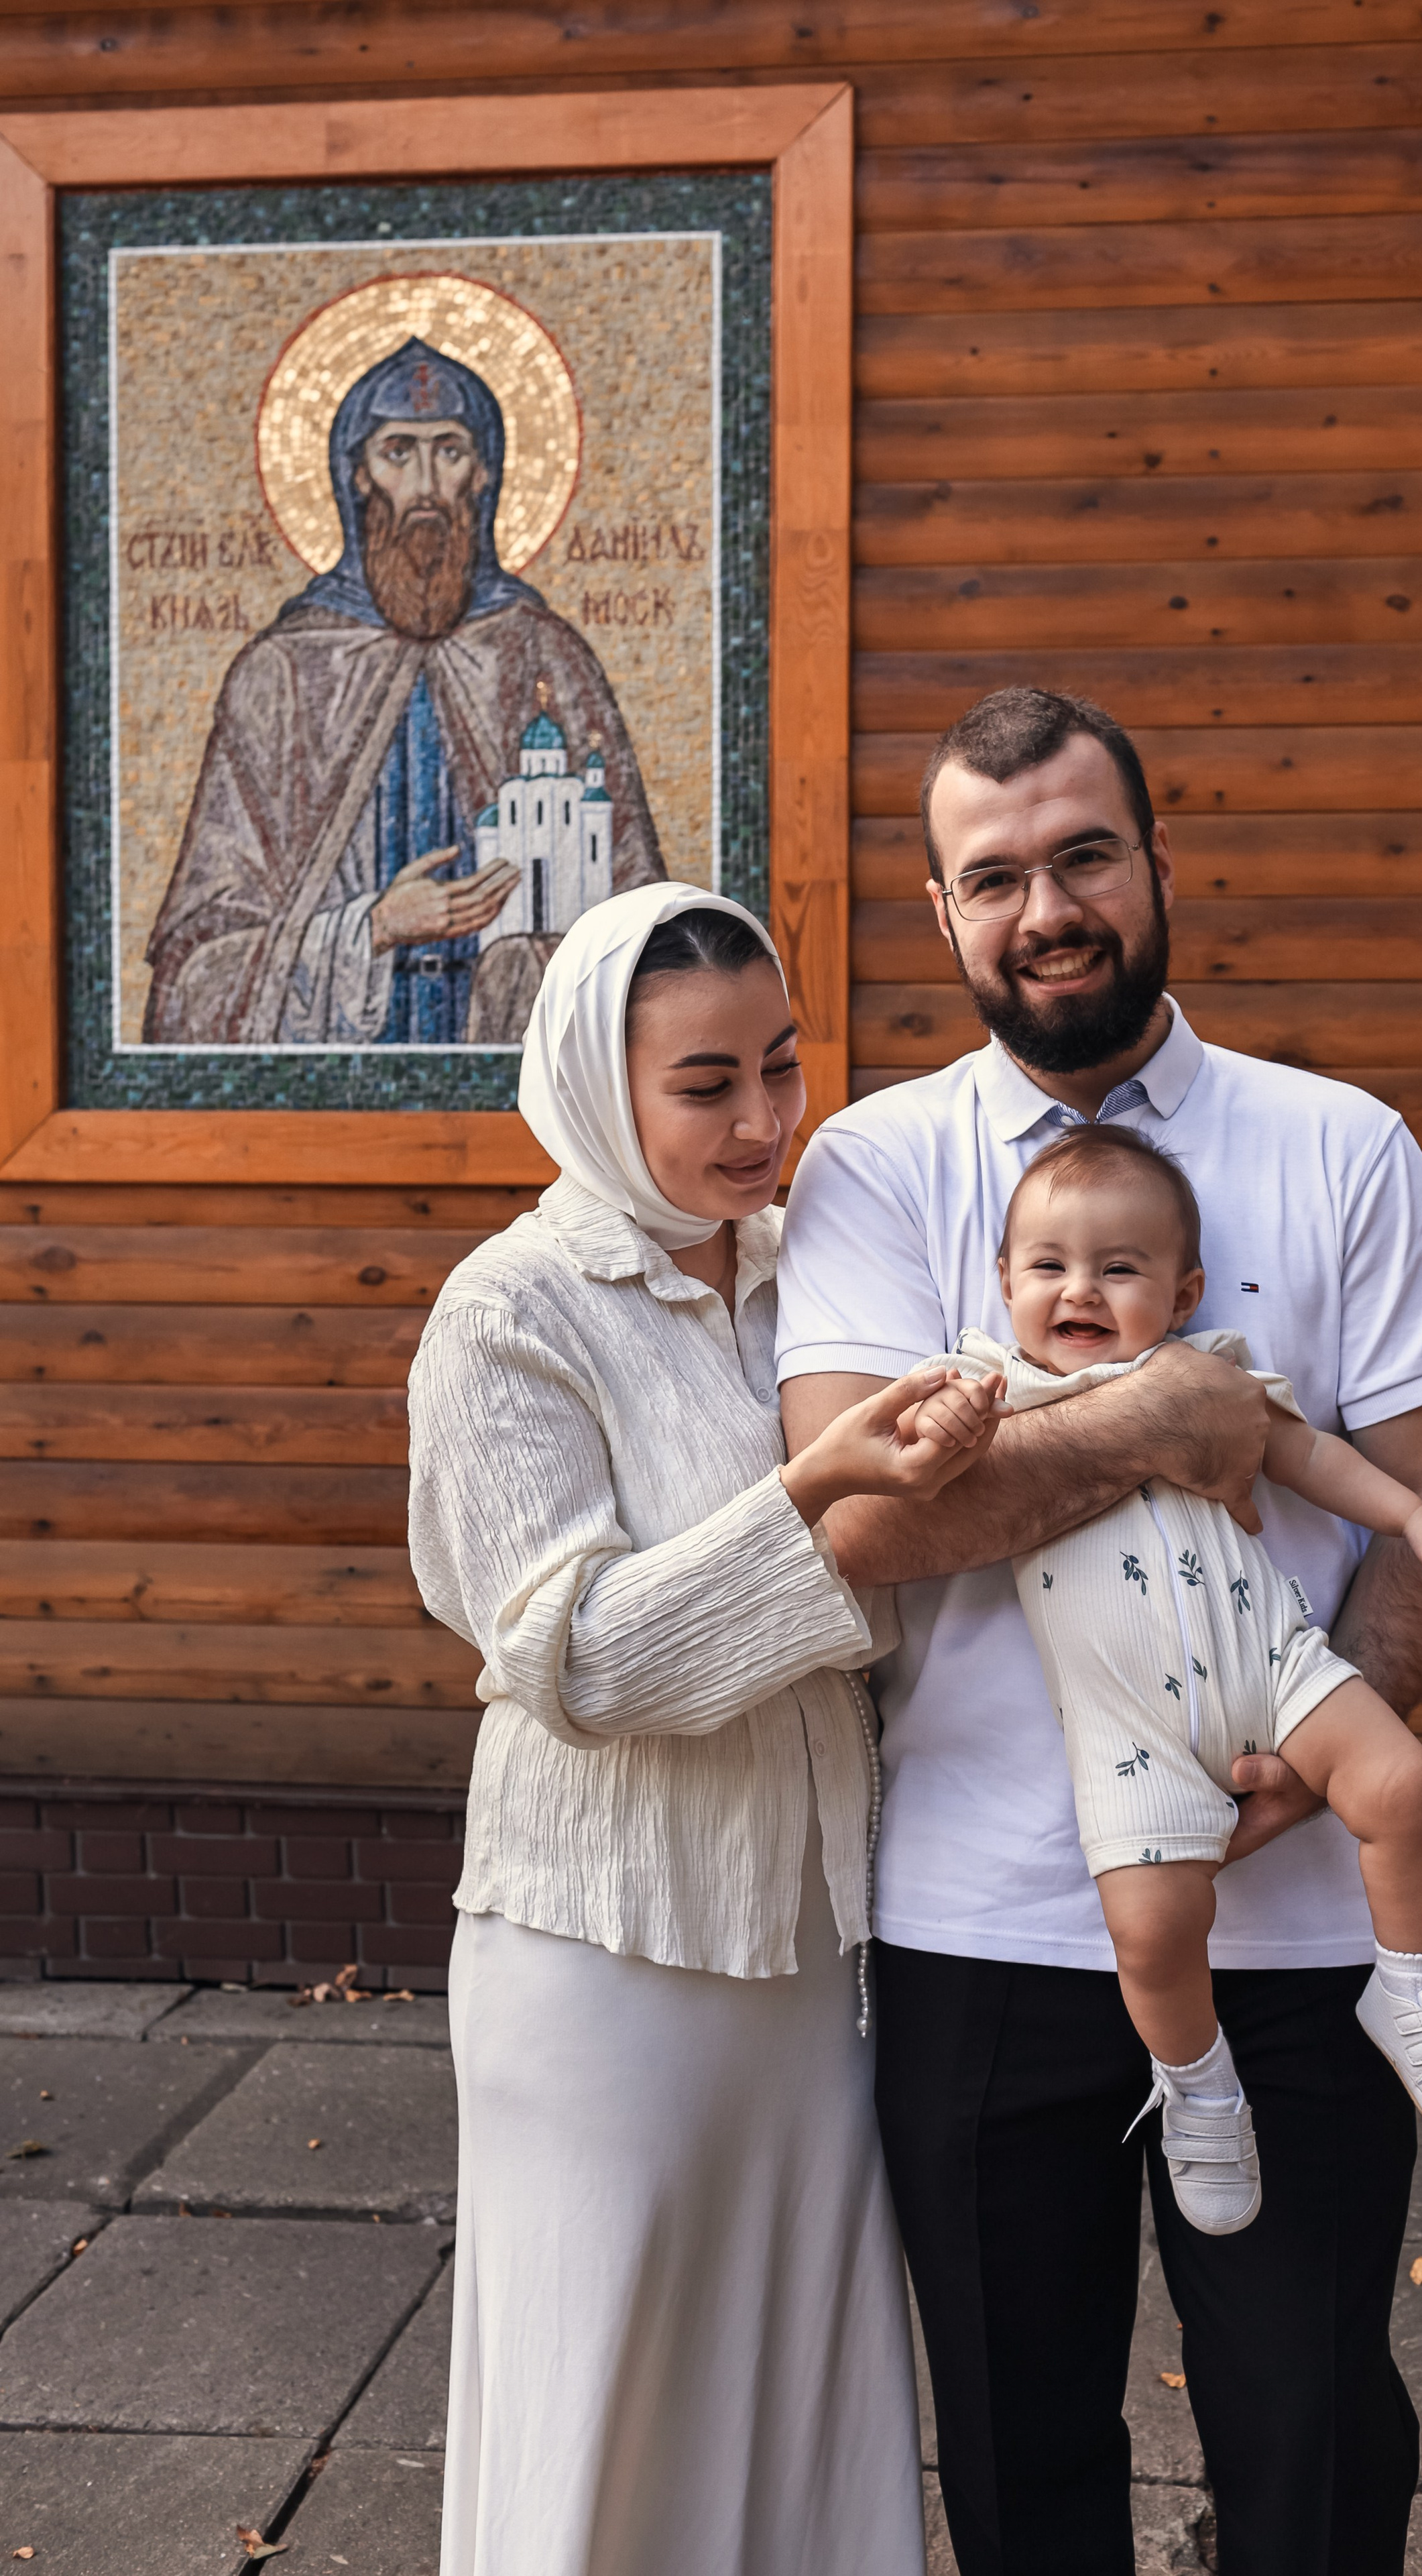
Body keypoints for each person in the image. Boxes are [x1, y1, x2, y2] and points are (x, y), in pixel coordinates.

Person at [776, 687, 1422, 2576]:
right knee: (1020, 2466)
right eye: (993, 876)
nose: (1047, 907)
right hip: (984, 1920)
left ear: (1160, 868)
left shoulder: (1344, 1149)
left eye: (1084, 855)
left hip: (1299, 1921)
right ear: (943, 918)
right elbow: (852, 1526)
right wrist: (1169, 1421)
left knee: (1316, 2447)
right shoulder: (872, 1164)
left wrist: (1309, 1766)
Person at [408, 881, 998, 2576]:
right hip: (607, 1962)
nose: (761, 1122)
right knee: (607, 2404)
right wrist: (820, 1492)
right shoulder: (506, 1314)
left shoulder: (812, 1270)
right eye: (704, 1084)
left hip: (812, 1961)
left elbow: (932, 1541)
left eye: (781, 1066)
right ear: (602, 1085)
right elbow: (579, 1654)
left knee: (798, 2408)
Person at [911, 1121, 1422, 2242]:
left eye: (1118, 1269)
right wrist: (938, 1424)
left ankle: (1416, 1982)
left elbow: (1313, 1457)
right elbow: (913, 1494)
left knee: (1403, 1788)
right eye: (1049, 1266)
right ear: (1003, 1282)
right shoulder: (990, 1395)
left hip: (1274, 1663)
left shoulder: (1209, 1372)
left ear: (1182, 1295)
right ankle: (1199, 2087)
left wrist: (1415, 1512)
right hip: (1127, 1736)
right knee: (1153, 1929)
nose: (1080, 1289)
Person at [145, 339, 661, 1047]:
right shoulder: (282, 675)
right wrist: (376, 927)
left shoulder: (548, 656)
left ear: (483, 473)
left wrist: (530, 957)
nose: (424, 485)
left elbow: (639, 919)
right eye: (397, 453)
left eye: (448, 452)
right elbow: (200, 960)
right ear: (355, 476)